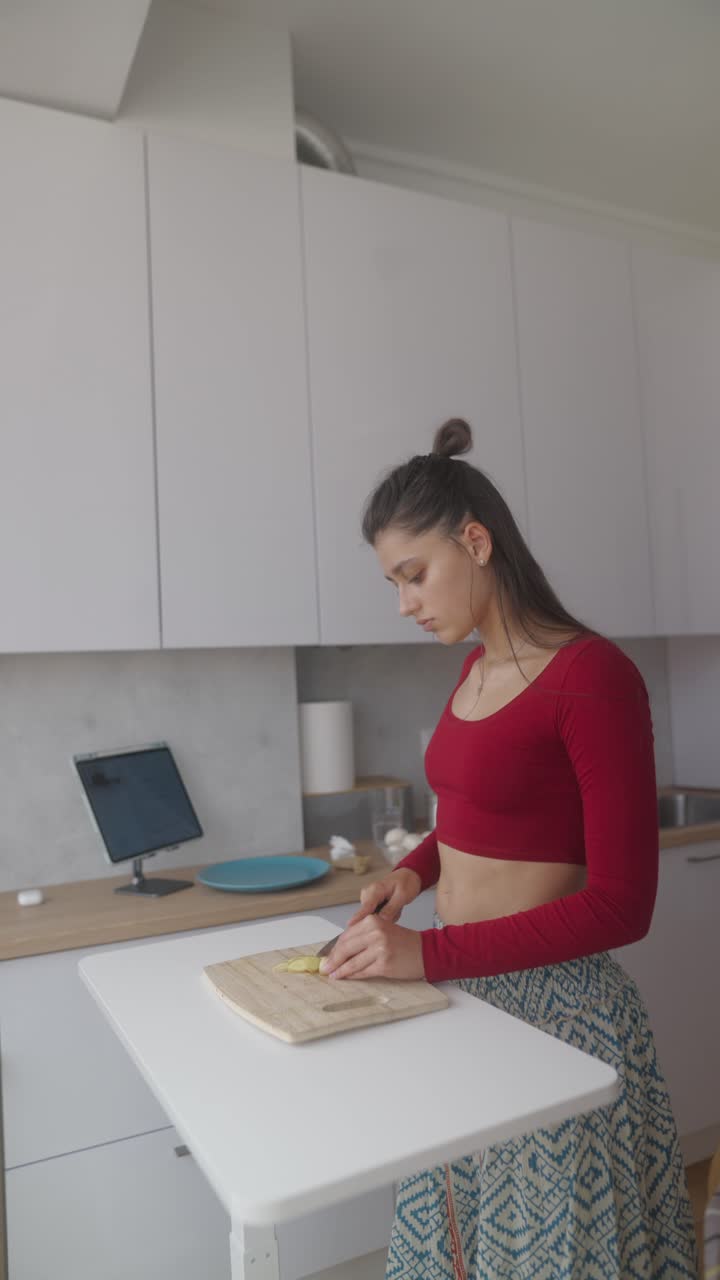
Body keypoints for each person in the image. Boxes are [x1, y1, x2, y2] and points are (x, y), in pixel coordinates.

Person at [318, 418, 699, 1279]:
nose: (404, 603)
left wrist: (428, 953)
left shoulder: (592, 676)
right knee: (455, 1244)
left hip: (559, 1015)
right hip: (461, 996)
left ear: (477, 541)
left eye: (414, 576)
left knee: (549, 1257)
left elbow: (621, 906)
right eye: (393, 582)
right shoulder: (473, 671)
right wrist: (412, 875)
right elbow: (476, 820)